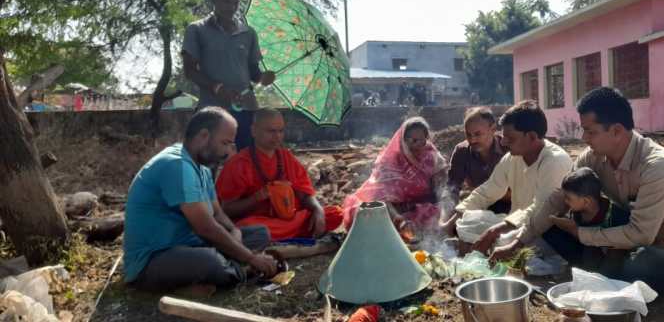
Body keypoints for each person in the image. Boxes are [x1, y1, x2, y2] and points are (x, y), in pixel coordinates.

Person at [491, 87, 664, 295]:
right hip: (616, 246)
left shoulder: (657, 165)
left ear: (617, 131)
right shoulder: (592, 157)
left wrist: (582, 234)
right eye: (584, 130)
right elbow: (558, 199)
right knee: (549, 224)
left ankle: (601, 274)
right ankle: (601, 273)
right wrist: (517, 242)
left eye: (590, 131)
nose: (584, 138)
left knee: (641, 261)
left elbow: (642, 234)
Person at [123, 107, 279, 291]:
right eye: (225, 143)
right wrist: (251, 258)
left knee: (260, 233)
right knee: (211, 262)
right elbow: (205, 227)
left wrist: (233, 230)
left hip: (189, 244)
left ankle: (221, 272)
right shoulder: (176, 165)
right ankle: (240, 272)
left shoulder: (202, 168)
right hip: (154, 260)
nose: (228, 152)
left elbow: (218, 213)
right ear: (204, 136)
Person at [458, 101, 573, 252]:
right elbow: (488, 190)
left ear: (532, 136)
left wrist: (495, 231)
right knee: (468, 220)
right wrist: (457, 215)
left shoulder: (555, 161)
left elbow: (541, 211)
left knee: (502, 239)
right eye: (504, 137)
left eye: (510, 138)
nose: (504, 142)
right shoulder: (513, 157)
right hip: (513, 223)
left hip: (543, 231)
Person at [216, 108, 343, 241]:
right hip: (260, 222)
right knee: (251, 228)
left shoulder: (286, 157)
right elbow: (227, 210)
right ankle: (282, 235)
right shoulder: (239, 163)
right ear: (254, 131)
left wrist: (319, 211)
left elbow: (304, 195)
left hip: (289, 219)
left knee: (334, 214)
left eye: (280, 131)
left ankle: (280, 235)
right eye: (271, 131)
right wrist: (256, 198)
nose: (277, 136)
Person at [182, 0, 276, 150]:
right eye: (226, 2)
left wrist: (263, 77)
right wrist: (218, 88)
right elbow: (190, 71)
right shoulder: (197, 30)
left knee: (247, 162)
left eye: (235, 2)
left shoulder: (248, 33)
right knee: (207, 163)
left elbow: (253, 72)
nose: (232, 7)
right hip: (212, 111)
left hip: (246, 110)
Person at [342, 117, 448, 233]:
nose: (418, 145)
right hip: (392, 210)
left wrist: (441, 197)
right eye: (413, 140)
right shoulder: (390, 161)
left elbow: (441, 187)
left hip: (422, 207)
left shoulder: (431, 156)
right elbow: (381, 197)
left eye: (422, 141)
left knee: (441, 213)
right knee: (368, 217)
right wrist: (398, 219)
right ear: (403, 140)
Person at [446, 107, 509, 214]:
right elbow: (452, 188)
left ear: (493, 129)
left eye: (478, 134)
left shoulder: (509, 149)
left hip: (510, 208)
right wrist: (447, 213)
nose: (472, 140)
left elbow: (521, 191)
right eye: (468, 134)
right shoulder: (462, 152)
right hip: (477, 208)